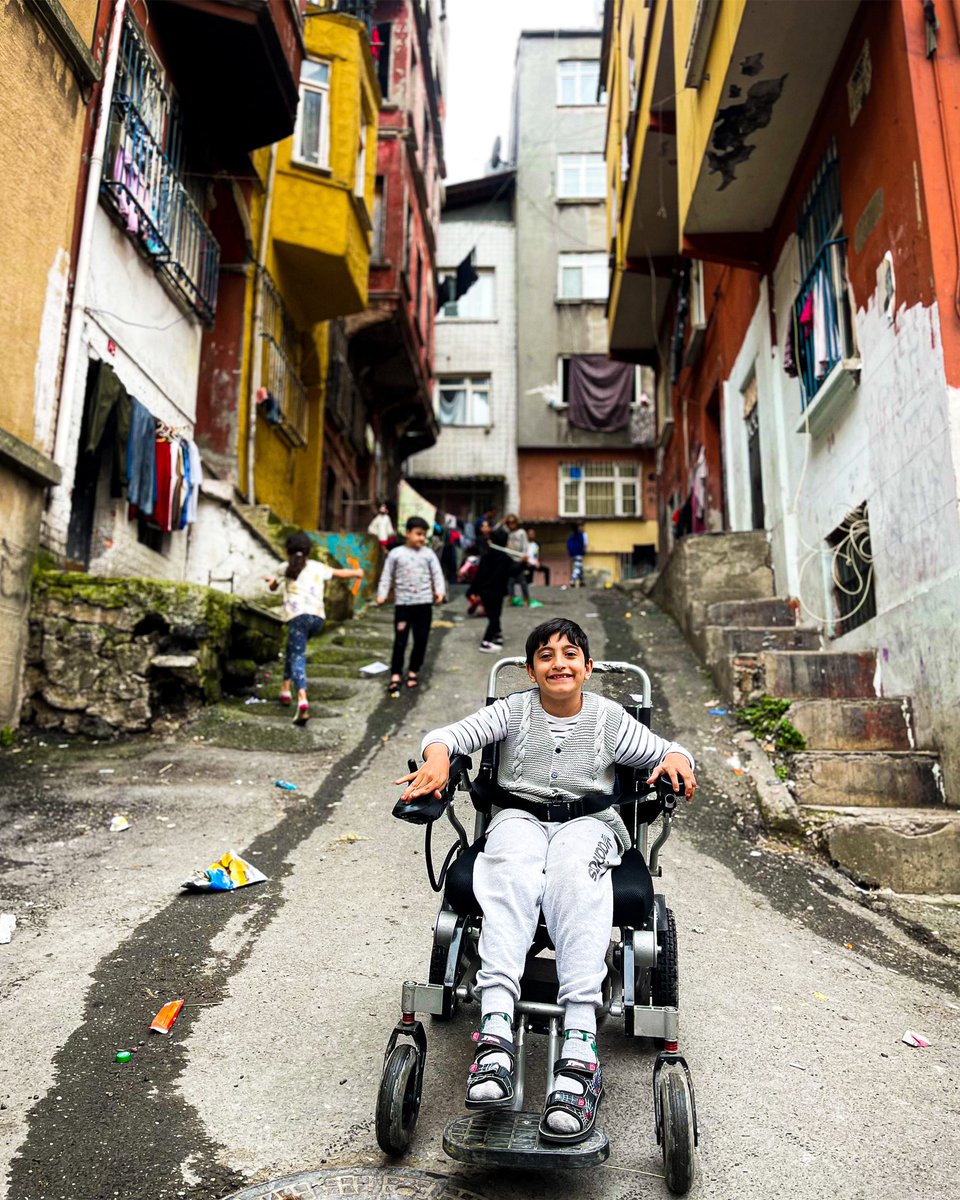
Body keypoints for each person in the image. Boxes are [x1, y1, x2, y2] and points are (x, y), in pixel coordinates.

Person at [396, 617, 697, 1143]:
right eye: (545, 656)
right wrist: (439, 758)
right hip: (518, 819)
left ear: (588, 666)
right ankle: (493, 1038)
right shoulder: (512, 711)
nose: (559, 663)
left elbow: (670, 751)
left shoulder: (608, 718)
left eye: (570, 654)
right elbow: (447, 735)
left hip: (590, 826)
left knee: (575, 880)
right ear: (532, 669)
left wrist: (675, 759)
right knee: (512, 873)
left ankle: (580, 1050)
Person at [264, 532, 363, 725]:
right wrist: (357, 573)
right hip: (317, 619)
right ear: (309, 551)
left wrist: (270, 580)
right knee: (293, 649)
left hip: (297, 617)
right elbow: (339, 573)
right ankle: (285, 689)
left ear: (287, 551)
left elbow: (273, 588)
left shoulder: (284, 568)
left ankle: (302, 698)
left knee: (297, 654)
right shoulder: (317, 567)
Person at [376, 515, 446, 697]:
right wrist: (382, 594)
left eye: (424, 535)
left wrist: (440, 591)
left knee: (421, 640)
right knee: (400, 641)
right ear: (407, 533)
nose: (422, 538)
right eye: (418, 534)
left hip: (424, 604)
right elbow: (386, 575)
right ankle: (396, 674)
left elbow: (437, 574)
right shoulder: (396, 554)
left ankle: (414, 670)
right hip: (403, 606)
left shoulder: (428, 554)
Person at [470, 526, 513, 651]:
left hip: (485, 592)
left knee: (492, 615)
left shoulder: (485, 556)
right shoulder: (505, 558)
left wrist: (473, 590)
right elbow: (515, 570)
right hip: (497, 593)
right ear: (505, 542)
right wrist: (525, 562)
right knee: (494, 616)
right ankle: (486, 642)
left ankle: (497, 634)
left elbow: (478, 575)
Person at [566, 522, 587, 587]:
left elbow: (568, 545)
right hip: (579, 553)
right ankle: (573, 580)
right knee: (578, 567)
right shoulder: (582, 535)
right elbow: (585, 544)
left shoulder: (571, 536)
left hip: (572, 554)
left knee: (579, 566)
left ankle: (581, 581)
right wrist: (584, 551)